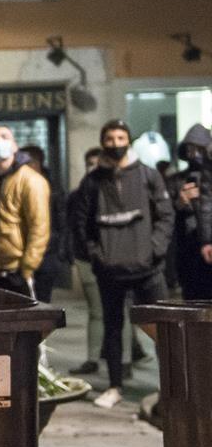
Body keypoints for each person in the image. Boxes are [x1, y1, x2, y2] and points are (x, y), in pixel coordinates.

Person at [73, 120, 173, 409]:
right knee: (113, 330)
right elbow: (82, 225)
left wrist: (155, 250)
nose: (115, 143)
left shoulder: (148, 175)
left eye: (120, 137)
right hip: (110, 271)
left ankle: (169, 387)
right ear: (102, 141)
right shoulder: (92, 182)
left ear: (128, 140)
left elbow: (165, 216)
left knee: (161, 330)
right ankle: (115, 386)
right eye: (109, 138)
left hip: (148, 270)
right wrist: (97, 255)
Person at [0, 129, 50, 297]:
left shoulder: (31, 181)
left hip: (16, 271)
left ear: (15, 146)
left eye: (4, 137)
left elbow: (39, 227)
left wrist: (28, 267)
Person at [170, 124, 212, 299]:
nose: (194, 154)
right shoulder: (176, 180)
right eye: (190, 149)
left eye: (199, 149)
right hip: (187, 250)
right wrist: (180, 202)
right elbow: (166, 215)